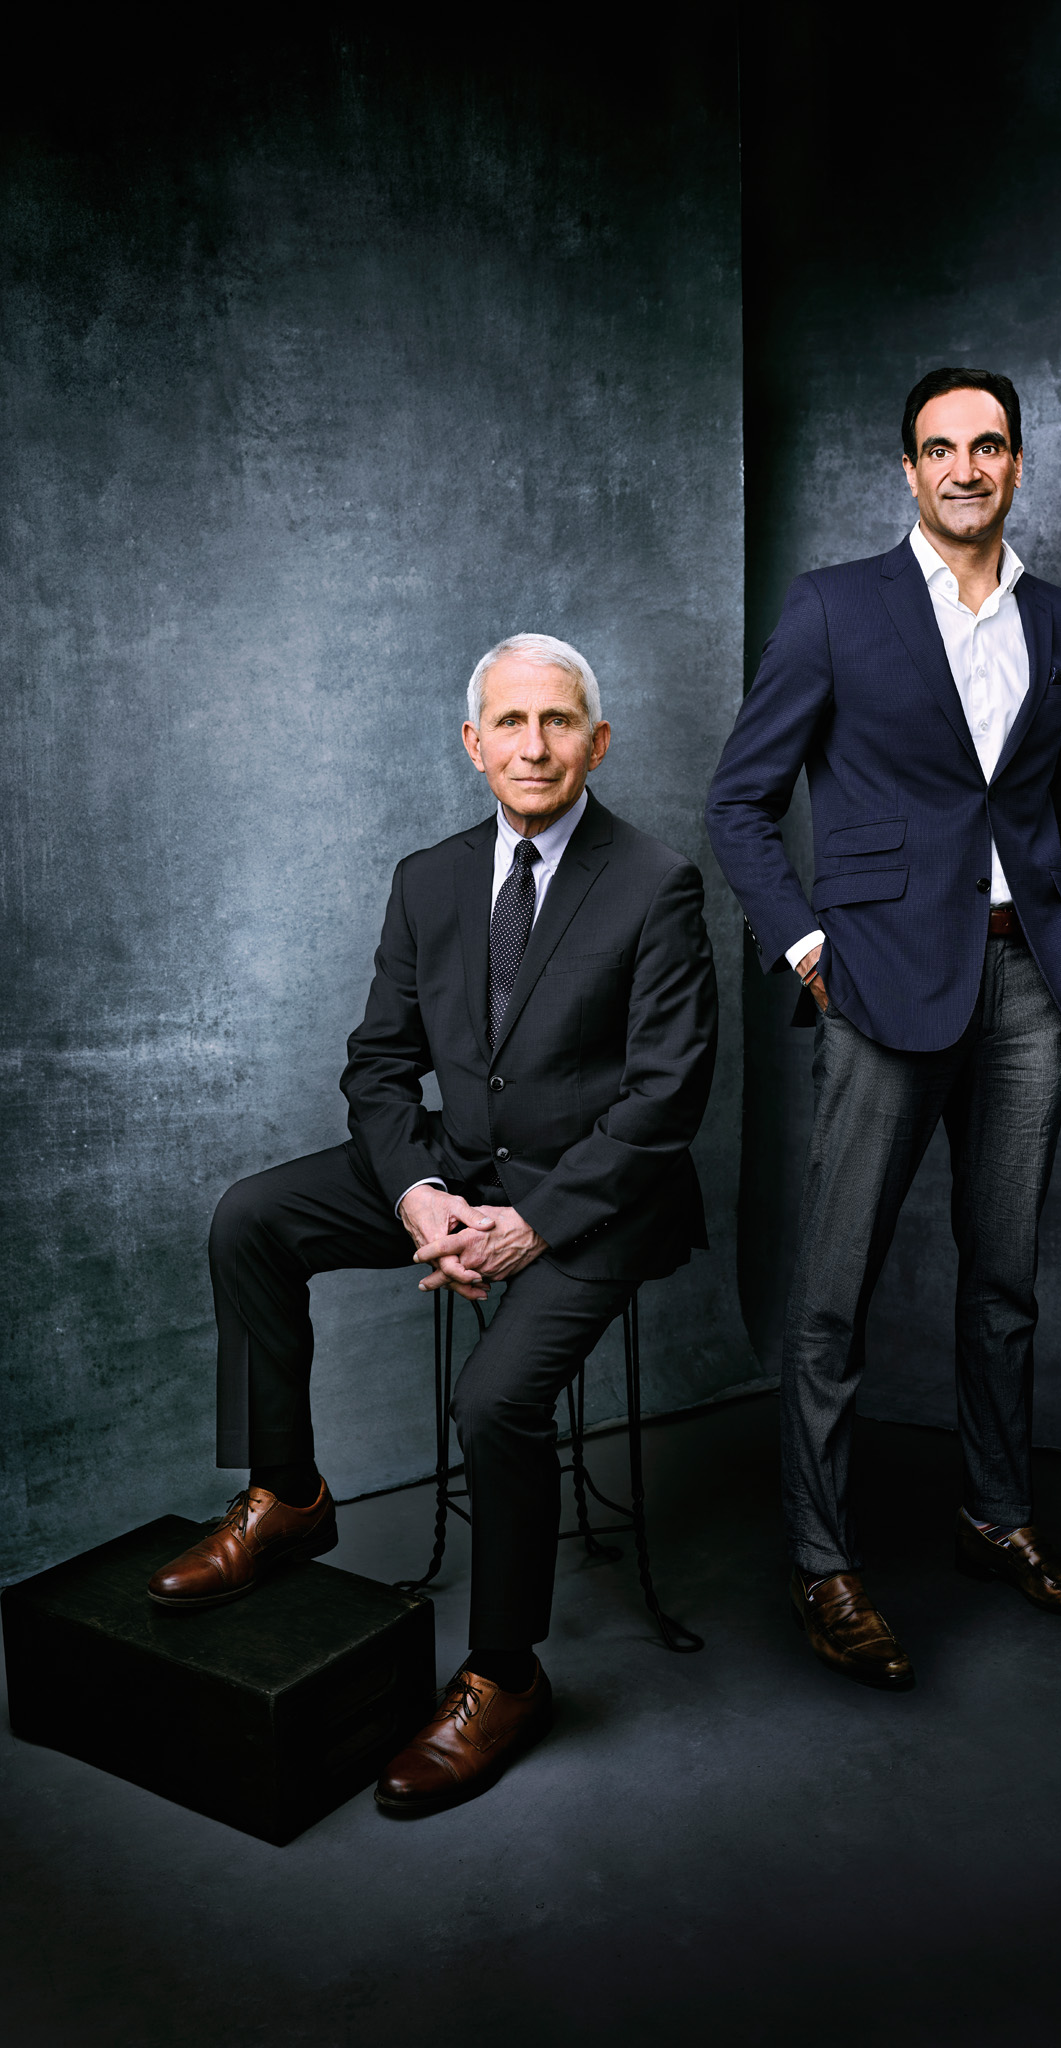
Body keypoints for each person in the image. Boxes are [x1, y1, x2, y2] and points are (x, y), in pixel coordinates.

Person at [148, 633, 718, 1811]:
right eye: (509, 723)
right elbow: (378, 1068)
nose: (533, 744)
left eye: (558, 721)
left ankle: (505, 1676)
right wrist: (419, 1196)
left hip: (595, 1194)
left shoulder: (656, 880)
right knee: (250, 1215)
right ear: (473, 744)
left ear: (596, 741)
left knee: (495, 1399)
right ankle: (291, 1495)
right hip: (454, 1167)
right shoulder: (429, 876)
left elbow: (669, 1099)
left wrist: (535, 1223)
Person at [705, 368, 1061, 1691]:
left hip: (1025, 990)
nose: (962, 467)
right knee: (830, 1298)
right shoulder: (837, 607)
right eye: (937, 448)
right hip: (878, 984)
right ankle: (823, 1562)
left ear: (1015, 463)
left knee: (1001, 1285)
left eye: (986, 445)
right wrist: (809, 943)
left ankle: (992, 1518)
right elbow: (739, 802)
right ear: (904, 471)